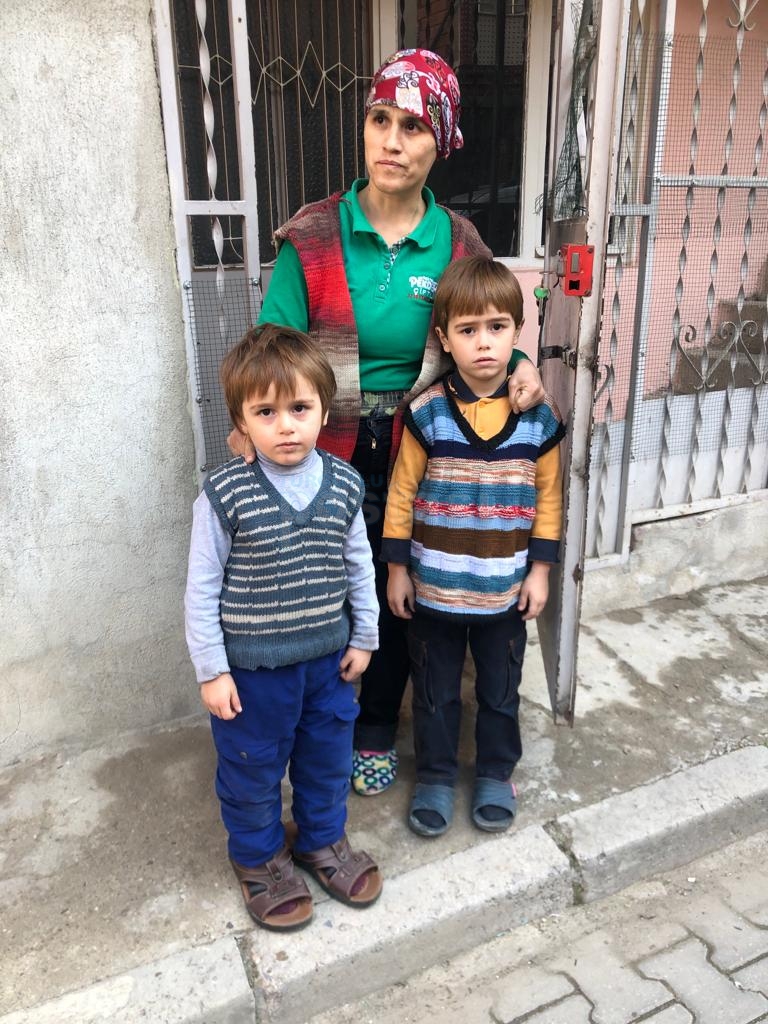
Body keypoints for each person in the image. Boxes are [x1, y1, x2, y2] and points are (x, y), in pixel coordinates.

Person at [231, 48, 547, 797]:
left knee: (401, 583)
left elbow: (487, 321)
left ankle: (375, 725)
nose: (392, 141)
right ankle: (322, 723)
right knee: (329, 582)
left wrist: (523, 363)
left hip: (423, 446)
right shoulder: (316, 234)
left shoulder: (458, 241)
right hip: (322, 443)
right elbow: (272, 347)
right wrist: (250, 427)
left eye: (413, 126)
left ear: (442, 143)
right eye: (380, 120)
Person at [184, 324, 382, 932]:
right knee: (251, 769)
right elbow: (202, 587)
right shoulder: (225, 495)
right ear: (241, 423)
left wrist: (365, 636)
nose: (286, 426)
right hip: (253, 676)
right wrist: (212, 671)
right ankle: (259, 858)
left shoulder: (344, 484)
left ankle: (322, 841)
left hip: (327, 665)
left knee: (327, 760)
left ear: (325, 408)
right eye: (265, 413)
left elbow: (359, 564)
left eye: (299, 408)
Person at [381, 256, 564, 837]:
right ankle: (435, 775)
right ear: (444, 338)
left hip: (504, 594)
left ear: (517, 332)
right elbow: (402, 493)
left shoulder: (539, 421)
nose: (483, 343)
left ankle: (493, 772)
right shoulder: (426, 414)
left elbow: (549, 500)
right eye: (467, 329)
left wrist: (540, 572)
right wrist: (397, 569)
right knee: (434, 694)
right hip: (433, 591)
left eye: (497, 327)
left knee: (500, 692)